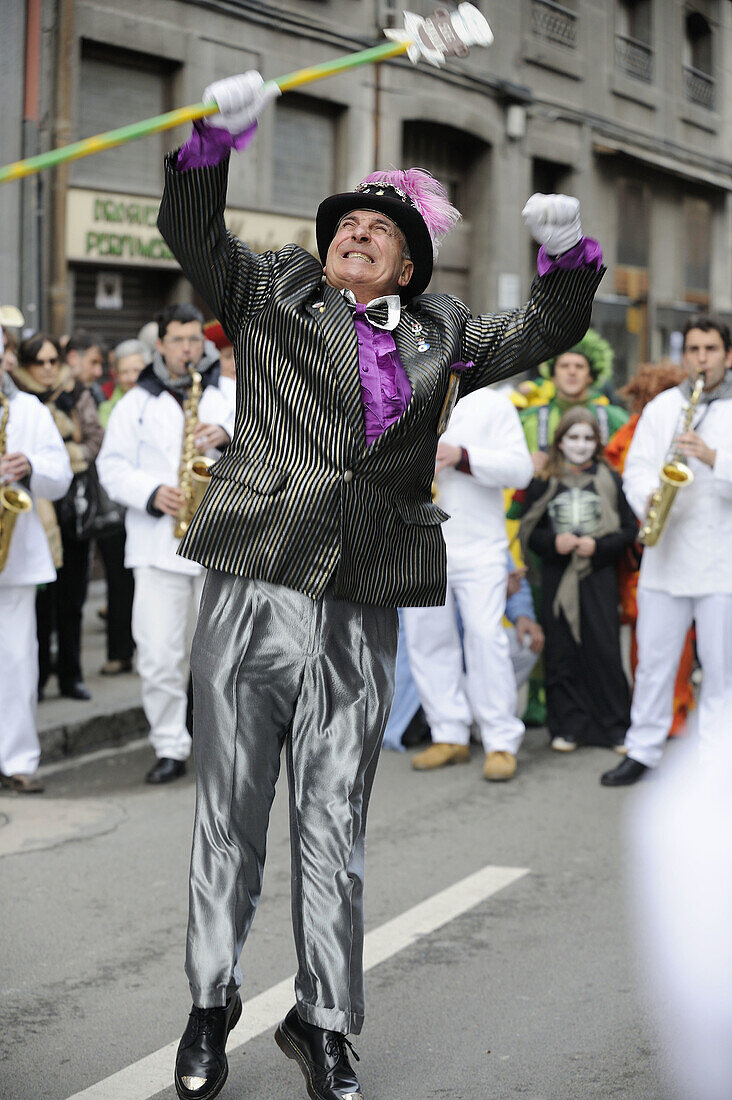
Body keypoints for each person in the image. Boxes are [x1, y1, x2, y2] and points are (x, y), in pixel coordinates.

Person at [157, 70, 605, 1100]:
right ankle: (209, 1004)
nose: (356, 231)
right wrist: (210, 144)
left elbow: (547, 329)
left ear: (410, 257)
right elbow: (193, 229)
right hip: (256, 577)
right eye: (346, 221)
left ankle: (322, 1022)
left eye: (378, 225)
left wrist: (566, 252)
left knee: (335, 823)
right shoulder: (269, 288)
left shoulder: (445, 332)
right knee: (229, 808)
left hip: (364, 599)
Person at [97, 304, 233, 785]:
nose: (188, 349)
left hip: (220, 548)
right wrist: (152, 493)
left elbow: (275, 448)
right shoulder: (135, 402)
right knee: (159, 654)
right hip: (158, 546)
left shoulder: (233, 394)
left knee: (222, 657)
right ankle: (170, 745)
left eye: (195, 340)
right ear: (161, 345)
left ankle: (220, 743)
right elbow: (110, 468)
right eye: (178, 341)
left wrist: (231, 437)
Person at [602, 315, 732, 786]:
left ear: (727, 355)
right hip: (666, 552)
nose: (701, 358)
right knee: (654, 660)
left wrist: (713, 456)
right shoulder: (661, 407)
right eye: (694, 349)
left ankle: (718, 762)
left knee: (722, 671)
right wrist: (648, 498)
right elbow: (635, 469)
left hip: (722, 560)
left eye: (711, 349)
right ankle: (643, 750)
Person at [404, 385, 533, 781]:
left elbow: (520, 470)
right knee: (426, 640)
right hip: (420, 539)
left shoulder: (493, 403)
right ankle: (449, 733)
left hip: (480, 544)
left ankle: (500, 740)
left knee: (485, 637)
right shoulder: (405, 394)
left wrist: (462, 456)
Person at [519, 407, 636, 751]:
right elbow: (530, 529)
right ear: (560, 441)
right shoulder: (543, 480)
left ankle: (614, 727)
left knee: (605, 648)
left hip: (598, 574)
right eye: (573, 437)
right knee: (561, 650)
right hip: (558, 575)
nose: (581, 445)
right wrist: (554, 543)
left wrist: (598, 545)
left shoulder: (609, 478)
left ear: (597, 443)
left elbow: (629, 529)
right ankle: (567, 726)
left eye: (588, 438)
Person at [604, 361, 695, 737]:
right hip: (638, 545)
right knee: (650, 634)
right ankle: (657, 711)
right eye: (647, 397)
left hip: (679, 540)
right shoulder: (626, 435)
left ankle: (673, 709)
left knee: (670, 636)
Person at [14, 333, 104, 700]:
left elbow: (97, 438)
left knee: (72, 599)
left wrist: (69, 455)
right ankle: (35, 678)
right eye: (40, 362)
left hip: (73, 509)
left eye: (54, 360)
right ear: (26, 365)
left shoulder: (76, 394)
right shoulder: (19, 401)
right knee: (38, 604)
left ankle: (70, 674)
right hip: (34, 515)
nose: (49, 369)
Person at [0, 334, 72, 791]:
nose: (8, 360)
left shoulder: (26, 409)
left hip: (15, 553)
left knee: (18, 659)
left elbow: (60, 477)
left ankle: (18, 760)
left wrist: (29, 466)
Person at [96, 339, 148, 675]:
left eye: (136, 370)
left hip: (148, 511)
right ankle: (119, 652)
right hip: (114, 511)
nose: (130, 377)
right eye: (124, 371)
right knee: (118, 584)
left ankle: (142, 647)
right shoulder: (108, 406)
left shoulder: (156, 401)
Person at [64, 329, 107, 407]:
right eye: (93, 362)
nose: (99, 372)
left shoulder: (96, 395)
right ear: (73, 358)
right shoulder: (52, 397)